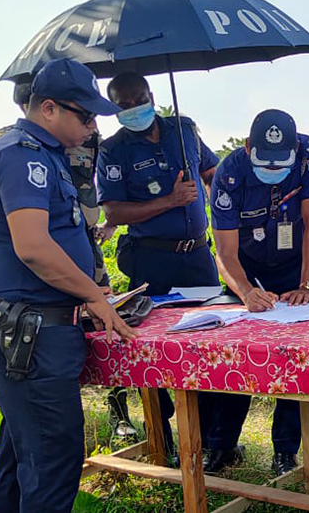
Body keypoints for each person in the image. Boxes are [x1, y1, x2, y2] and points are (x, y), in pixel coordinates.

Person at [0, 58, 134, 512]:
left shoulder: (47, 157)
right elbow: (34, 247)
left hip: (36, 329)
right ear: (47, 108)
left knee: (23, 458)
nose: (92, 125)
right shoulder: (22, 155)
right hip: (30, 331)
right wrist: (95, 296)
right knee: (53, 461)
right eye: (84, 115)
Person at [97, 71, 224, 462]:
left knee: (210, 342)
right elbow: (114, 210)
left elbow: (212, 173)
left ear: (152, 96)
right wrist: (170, 201)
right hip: (151, 259)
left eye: (139, 99)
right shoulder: (113, 150)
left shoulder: (183, 129)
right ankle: (162, 436)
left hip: (198, 258)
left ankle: (213, 440)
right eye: (123, 105)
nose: (134, 109)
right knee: (151, 348)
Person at [208, 109, 309, 475]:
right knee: (234, 359)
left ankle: (285, 451)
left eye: (282, 164)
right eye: (265, 163)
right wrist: (247, 292)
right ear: (249, 148)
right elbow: (225, 253)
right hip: (245, 272)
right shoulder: (229, 172)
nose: (273, 171)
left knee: (294, 360)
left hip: (293, 269)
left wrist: (308, 285)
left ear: (295, 149)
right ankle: (221, 446)